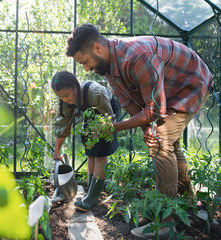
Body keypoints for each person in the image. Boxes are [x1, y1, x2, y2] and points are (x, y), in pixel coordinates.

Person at [65, 24, 212, 237]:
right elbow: (129, 103)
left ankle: (165, 222)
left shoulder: (137, 56)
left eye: (84, 62)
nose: (86, 68)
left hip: (191, 83)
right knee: (166, 140)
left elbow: (153, 111)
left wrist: (114, 127)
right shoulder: (108, 68)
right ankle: (189, 204)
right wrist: (147, 128)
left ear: (97, 48)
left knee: (162, 141)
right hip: (167, 93)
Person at [51, 70, 119, 211]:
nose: (65, 99)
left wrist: (101, 129)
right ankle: (90, 193)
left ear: (75, 86)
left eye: (67, 95)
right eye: (61, 97)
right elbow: (63, 125)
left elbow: (109, 118)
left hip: (107, 112)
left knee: (100, 154)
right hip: (91, 115)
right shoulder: (65, 102)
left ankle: (93, 199)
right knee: (90, 152)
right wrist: (57, 151)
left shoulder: (95, 92)